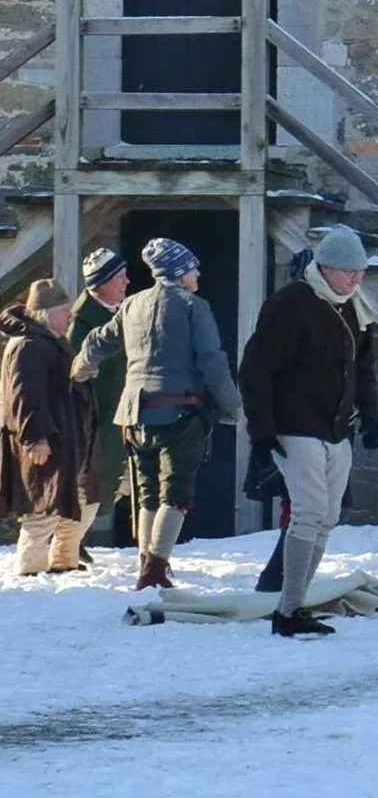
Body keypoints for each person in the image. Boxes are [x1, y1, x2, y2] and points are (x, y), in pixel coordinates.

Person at [72, 238, 244, 590]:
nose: (198, 273)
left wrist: (80, 370)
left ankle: (146, 562)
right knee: (176, 494)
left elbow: (95, 341)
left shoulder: (132, 304)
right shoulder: (193, 306)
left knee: (147, 492)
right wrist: (235, 408)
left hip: (134, 416)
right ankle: (155, 569)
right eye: (192, 267)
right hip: (179, 411)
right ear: (179, 272)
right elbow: (212, 362)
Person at [239, 227, 378, 637]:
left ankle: (295, 602)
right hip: (295, 424)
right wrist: (262, 431)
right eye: (347, 271)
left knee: (328, 517)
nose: (355, 279)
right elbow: (256, 369)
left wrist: (372, 416)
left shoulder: (355, 307)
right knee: (308, 513)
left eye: (360, 271)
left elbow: (363, 369)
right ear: (325, 268)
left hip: (337, 427)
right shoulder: (291, 304)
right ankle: (288, 609)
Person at [0, 281, 99, 576]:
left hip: (68, 436)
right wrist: (35, 438)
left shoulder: (51, 340)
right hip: (46, 438)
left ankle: (64, 561)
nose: (70, 315)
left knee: (79, 500)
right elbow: (25, 395)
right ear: (46, 312)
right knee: (42, 506)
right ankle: (30, 569)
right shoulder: (28, 345)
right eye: (65, 310)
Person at [70, 249, 130, 554]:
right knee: (94, 482)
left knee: (118, 480)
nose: (126, 282)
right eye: (119, 277)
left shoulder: (113, 313)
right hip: (97, 418)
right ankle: (71, 542)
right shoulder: (81, 324)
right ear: (101, 282)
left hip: (119, 413)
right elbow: (77, 378)